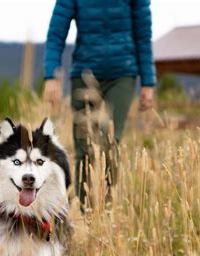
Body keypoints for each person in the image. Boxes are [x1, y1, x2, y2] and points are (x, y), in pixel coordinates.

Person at [43, 0, 156, 207]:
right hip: (85, 73)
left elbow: (143, 35)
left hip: (122, 73)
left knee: (109, 141)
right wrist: (51, 75)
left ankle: (107, 207)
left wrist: (148, 82)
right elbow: (56, 33)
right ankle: (85, 210)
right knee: (84, 146)